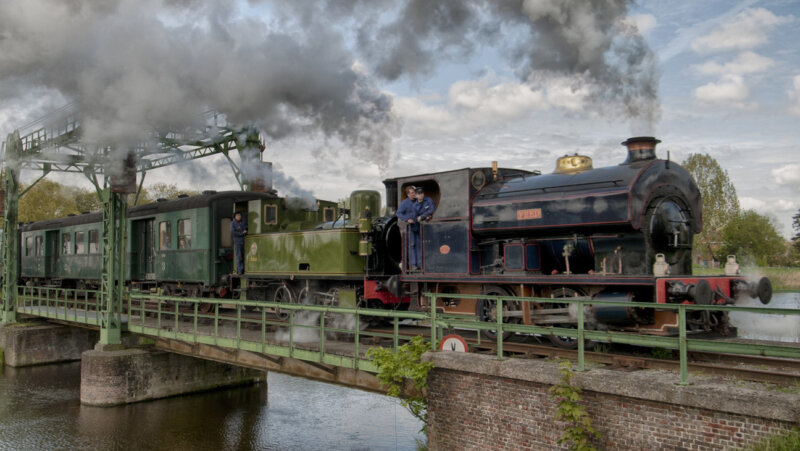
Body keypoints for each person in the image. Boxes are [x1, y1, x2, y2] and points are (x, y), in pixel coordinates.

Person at [396, 186, 419, 270]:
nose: (414, 194)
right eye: (412, 193)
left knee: (419, 245)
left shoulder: (418, 201)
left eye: (414, 192)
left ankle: (419, 264)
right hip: (410, 227)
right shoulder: (404, 203)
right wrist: (407, 219)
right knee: (412, 245)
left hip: (419, 225)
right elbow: (398, 213)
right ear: (408, 194)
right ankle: (413, 265)